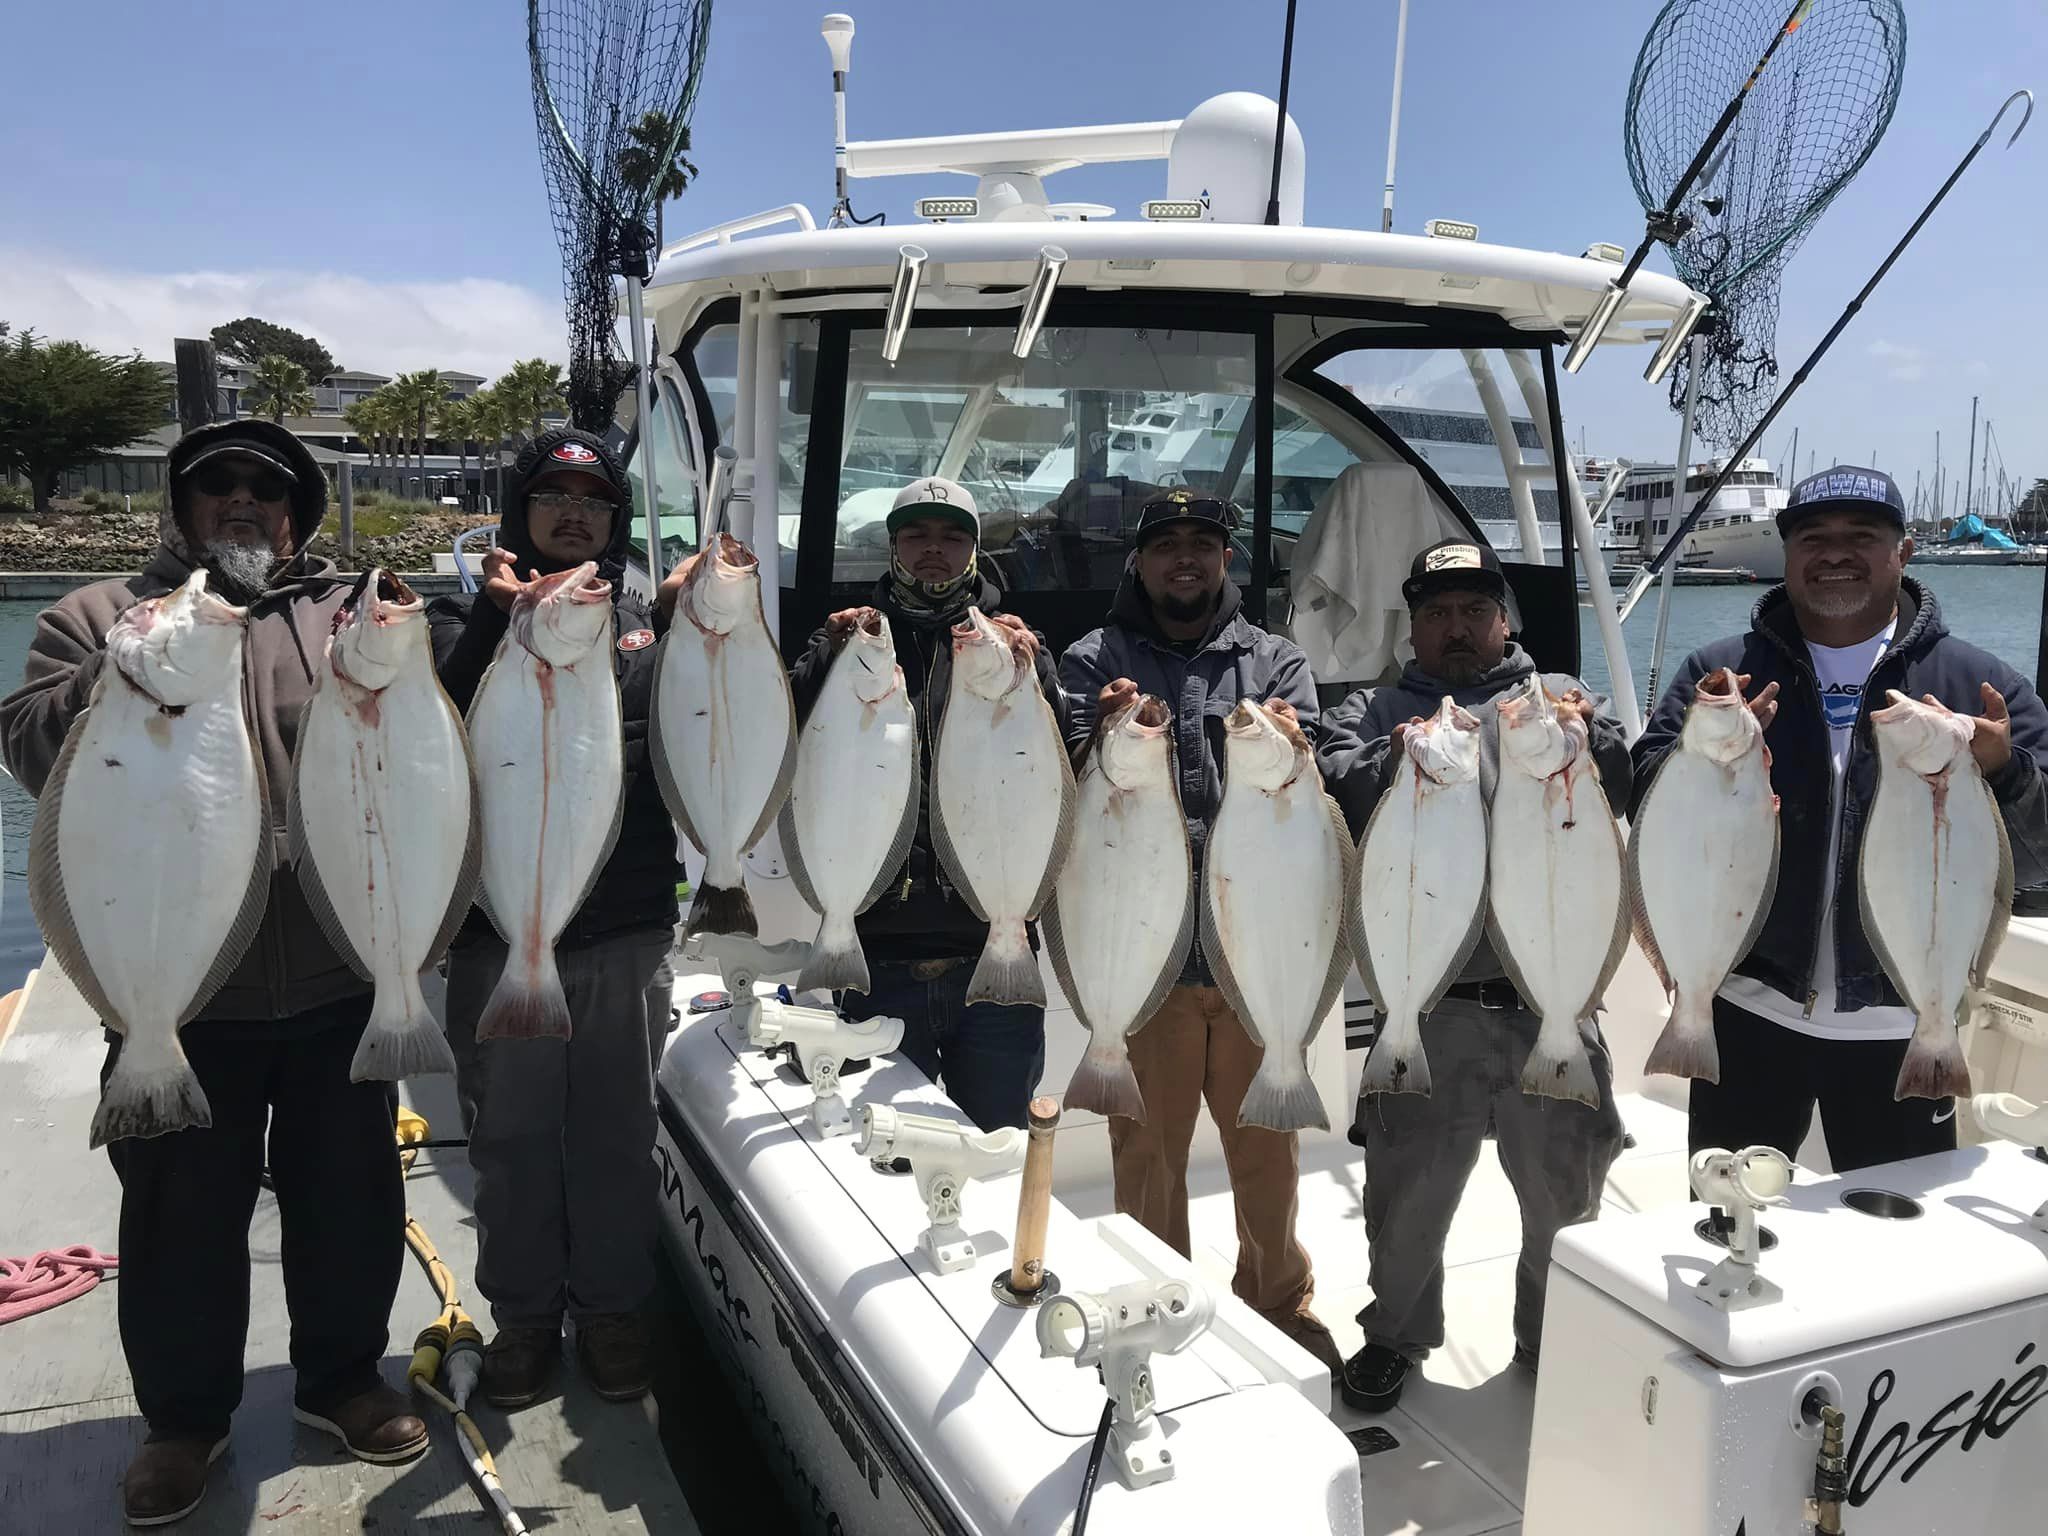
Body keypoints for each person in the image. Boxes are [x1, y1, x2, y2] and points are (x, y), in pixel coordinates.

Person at [0, 420, 427, 1527]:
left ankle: (342, 1380)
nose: (244, 502)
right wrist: (125, 668)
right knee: (179, 1219)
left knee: (351, 1197)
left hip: (335, 972)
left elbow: (432, 733)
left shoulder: (345, 614)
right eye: (218, 485)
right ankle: (183, 1422)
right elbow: (30, 746)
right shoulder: (96, 617)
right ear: (180, 505)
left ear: (300, 512)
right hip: (178, 984)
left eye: (268, 489)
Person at [1632, 465, 2048, 1172]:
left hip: (1903, 1023)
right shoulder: (1720, 674)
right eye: (1813, 538)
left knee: (1901, 1245)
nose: (1835, 554)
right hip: (1747, 1008)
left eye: (1862, 536)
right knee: (1729, 1225)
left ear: (1904, 552)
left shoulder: (1978, 690)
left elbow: (2039, 858)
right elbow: (1644, 809)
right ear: (1788, 554)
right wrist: (1700, 756)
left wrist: (2005, 772)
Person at [1316, 537, 1631, 1412]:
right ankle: (1395, 1335)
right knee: (1406, 1193)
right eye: (1436, 613)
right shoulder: (1375, 708)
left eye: (1473, 611)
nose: (1456, 628)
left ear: (1505, 619)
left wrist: (1588, 735)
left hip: (1550, 999)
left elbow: (1629, 774)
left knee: (1564, 1194)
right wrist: (1395, 756)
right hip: (1431, 1003)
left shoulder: (1561, 698)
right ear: (1413, 626)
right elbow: (1333, 782)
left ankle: (1553, 1337)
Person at [1058, 490, 1341, 1375]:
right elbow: (1052, 771)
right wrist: (1093, 729)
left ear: (1227, 562)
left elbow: (1318, 771)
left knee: (1268, 1155)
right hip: (1146, 960)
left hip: (1258, 956)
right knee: (1148, 1157)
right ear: (1138, 563)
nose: (1186, 559)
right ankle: (1158, 1306)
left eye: (1204, 546)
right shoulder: (1089, 659)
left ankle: (1279, 1303)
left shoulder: (1278, 662)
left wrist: (1300, 746)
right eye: (1167, 545)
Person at [429, 428, 682, 1409]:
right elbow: (436, 724)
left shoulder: (649, 626)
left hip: (622, 929)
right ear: (518, 511)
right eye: (552, 496)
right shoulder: (459, 620)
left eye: (592, 499)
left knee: (618, 1133)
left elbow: (715, 726)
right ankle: (526, 1320)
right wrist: (499, 624)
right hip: (499, 937)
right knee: (511, 1141)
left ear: (614, 520)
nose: (573, 513)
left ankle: (613, 1311)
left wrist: (704, 620)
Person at [783, 476, 1065, 1134]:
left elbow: (1056, 773)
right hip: (876, 958)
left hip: (994, 956)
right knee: (879, 1156)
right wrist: (829, 654)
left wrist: (1035, 668)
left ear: (973, 550)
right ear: (892, 547)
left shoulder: (1018, 648)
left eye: (951, 537)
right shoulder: (848, 644)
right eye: (916, 536)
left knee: (998, 1145)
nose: (932, 549)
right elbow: (789, 733)